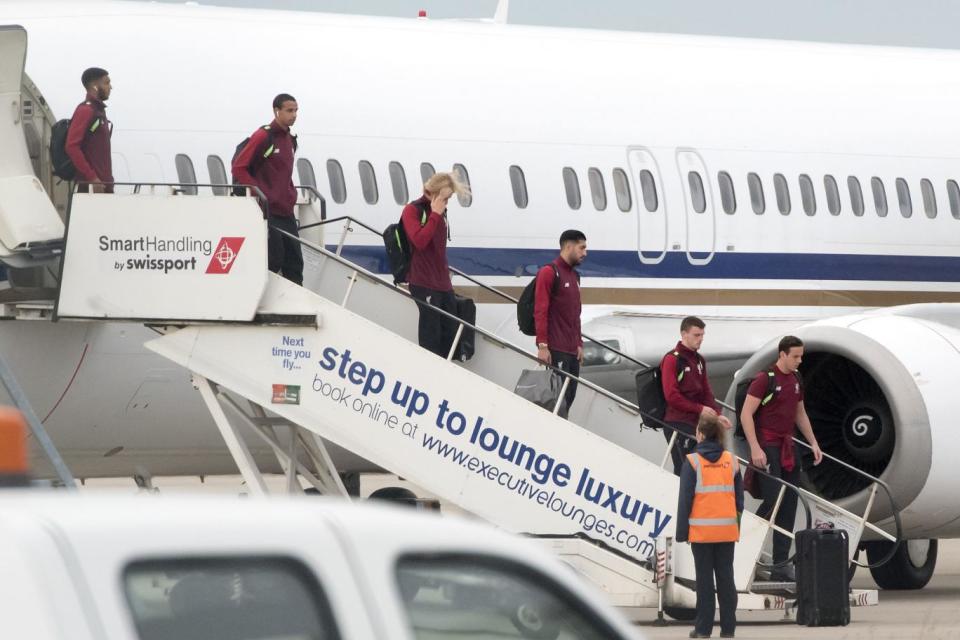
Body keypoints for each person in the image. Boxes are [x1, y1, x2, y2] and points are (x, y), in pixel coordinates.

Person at [740, 335, 823, 581]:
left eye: (801, 356)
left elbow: (800, 413)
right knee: (774, 498)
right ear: (782, 355)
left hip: (788, 445)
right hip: (768, 444)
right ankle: (745, 542)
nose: (799, 361)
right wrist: (755, 448)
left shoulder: (796, 379)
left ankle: (780, 563)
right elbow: (746, 415)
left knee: (789, 503)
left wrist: (813, 443)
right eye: (795, 356)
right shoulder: (765, 380)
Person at [676, 413, 743, 639]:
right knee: (726, 578)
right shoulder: (731, 461)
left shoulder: (693, 462)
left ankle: (703, 629)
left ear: (701, 435)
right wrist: (735, 526)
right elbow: (740, 501)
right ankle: (728, 628)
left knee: (704, 581)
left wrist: (682, 532)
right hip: (726, 531)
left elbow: (686, 499)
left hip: (702, 532)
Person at [232, 93, 302, 285]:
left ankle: (295, 307)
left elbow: (284, 173)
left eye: (296, 110)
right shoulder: (264, 136)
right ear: (276, 111)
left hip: (285, 210)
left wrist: (291, 192)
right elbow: (239, 168)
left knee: (295, 263)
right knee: (274, 259)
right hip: (268, 210)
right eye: (289, 110)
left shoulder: (290, 139)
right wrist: (260, 194)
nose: (294, 115)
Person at [403, 171, 470, 358]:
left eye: (448, 199)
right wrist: (434, 215)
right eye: (445, 198)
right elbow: (420, 241)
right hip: (423, 282)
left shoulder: (441, 213)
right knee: (430, 335)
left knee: (451, 334)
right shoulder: (413, 210)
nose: (446, 203)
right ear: (432, 193)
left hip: (442, 282)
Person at [661, 316, 732, 476]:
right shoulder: (672, 359)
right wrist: (699, 409)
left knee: (699, 468)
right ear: (684, 334)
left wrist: (717, 415)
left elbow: (706, 392)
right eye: (696, 335)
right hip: (677, 422)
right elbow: (671, 396)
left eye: (702, 335)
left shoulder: (699, 360)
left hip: (695, 424)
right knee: (685, 470)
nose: (700, 339)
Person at [534, 229, 586, 418]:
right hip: (556, 349)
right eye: (582, 248)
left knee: (569, 399)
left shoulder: (575, 277)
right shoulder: (549, 272)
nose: (585, 253)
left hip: (572, 351)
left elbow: (575, 313)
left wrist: (579, 343)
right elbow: (540, 310)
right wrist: (543, 345)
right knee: (557, 401)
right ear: (568, 246)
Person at [65, 67, 113, 193]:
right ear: (95, 86)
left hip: (103, 187)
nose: (110, 87)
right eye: (107, 83)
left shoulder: (98, 111)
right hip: (91, 189)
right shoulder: (86, 110)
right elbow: (71, 147)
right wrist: (92, 177)